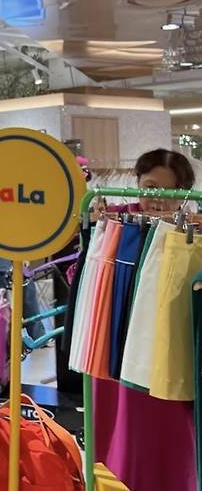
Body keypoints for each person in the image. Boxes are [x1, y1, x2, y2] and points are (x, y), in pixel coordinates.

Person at [93, 147, 197, 491]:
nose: (157, 199)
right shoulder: (115, 226)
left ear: (184, 194)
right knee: (120, 427)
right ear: (137, 183)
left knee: (171, 432)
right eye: (151, 188)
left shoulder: (191, 233)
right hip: (120, 343)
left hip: (173, 347)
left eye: (169, 191)